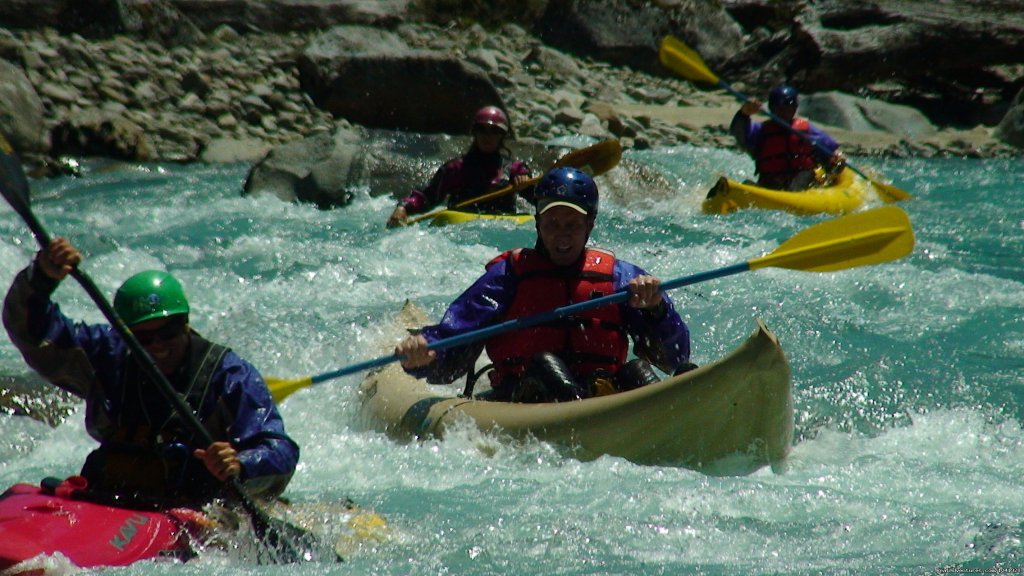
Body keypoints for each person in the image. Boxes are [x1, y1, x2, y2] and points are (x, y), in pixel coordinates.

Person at [2, 238, 299, 506]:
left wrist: (241, 463)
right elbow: (34, 334)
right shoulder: (108, 353)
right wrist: (41, 278)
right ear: (127, 334)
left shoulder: (229, 374)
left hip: (194, 509)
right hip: (111, 498)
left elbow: (278, 449)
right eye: (142, 338)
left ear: (185, 323)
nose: (157, 346)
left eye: (168, 332)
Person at [394, 167, 693, 403]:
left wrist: (656, 310)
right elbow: (454, 341)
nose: (562, 235)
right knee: (546, 364)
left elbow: (675, 357)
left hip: (598, 394)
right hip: (527, 394)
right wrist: (427, 353)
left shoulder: (620, 279)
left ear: (589, 226)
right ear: (538, 224)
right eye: (552, 224)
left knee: (639, 372)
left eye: (572, 225)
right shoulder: (507, 277)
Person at [386, 105, 533, 227]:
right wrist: (403, 207)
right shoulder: (456, 169)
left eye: (494, 131)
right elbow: (427, 196)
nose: (487, 136)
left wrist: (526, 184)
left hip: (504, 226)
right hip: (462, 228)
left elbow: (540, 198)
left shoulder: (515, 170)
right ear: (475, 132)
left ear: (502, 135)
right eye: (482, 129)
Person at [730, 84, 846, 190]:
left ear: (795, 107)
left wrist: (837, 156)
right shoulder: (761, 131)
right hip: (771, 185)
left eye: (787, 106)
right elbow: (739, 133)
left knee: (833, 165)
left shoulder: (806, 129)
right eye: (778, 107)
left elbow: (830, 147)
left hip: (803, 184)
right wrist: (744, 113)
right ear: (771, 108)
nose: (782, 111)